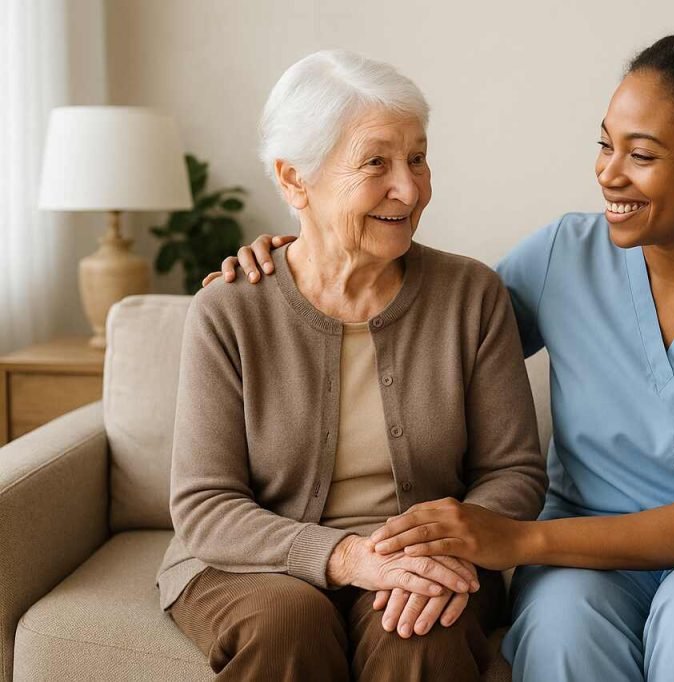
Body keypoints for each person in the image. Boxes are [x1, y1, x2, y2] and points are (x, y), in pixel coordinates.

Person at [208, 27, 674, 682]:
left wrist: (520, 540)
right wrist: (305, 259)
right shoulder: (564, 256)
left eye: (642, 155)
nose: (608, 173)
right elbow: (425, 326)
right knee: (560, 628)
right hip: (586, 559)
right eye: (605, 144)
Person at [161, 49, 546, 682]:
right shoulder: (230, 309)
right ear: (294, 181)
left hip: (425, 561)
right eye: (376, 163)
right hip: (252, 565)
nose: (410, 187)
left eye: (417, 158)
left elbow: (514, 472)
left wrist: (435, 551)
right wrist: (344, 556)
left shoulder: (470, 295)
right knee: (287, 622)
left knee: (421, 633)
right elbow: (205, 504)